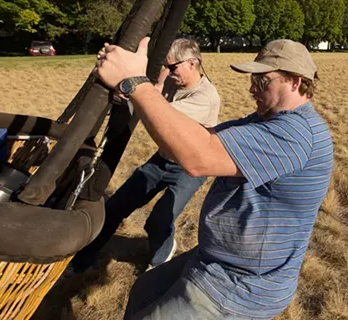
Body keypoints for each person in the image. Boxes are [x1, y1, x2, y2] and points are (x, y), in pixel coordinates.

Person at [94, 38, 334, 320]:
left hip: (242, 285)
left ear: (295, 81)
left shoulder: (294, 133)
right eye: (253, 79)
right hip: (215, 260)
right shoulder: (263, 121)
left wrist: (134, 82)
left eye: (263, 80)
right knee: (145, 289)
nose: (252, 88)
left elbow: (199, 158)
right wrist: (133, 94)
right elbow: (195, 139)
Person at [71, 38, 220, 273]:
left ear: (192, 63)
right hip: (161, 160)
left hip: (189, 168)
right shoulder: (172, 81)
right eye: (166, 67)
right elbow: (149, 94)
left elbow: (159, 111)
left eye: (173, 67)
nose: (169, 72)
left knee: (159, 220)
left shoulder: (206, 97)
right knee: (115, 208)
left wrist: (131, 86)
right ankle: (82, 260)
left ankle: (161, 259)